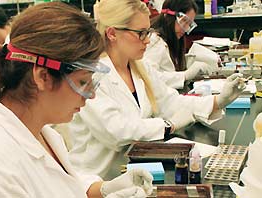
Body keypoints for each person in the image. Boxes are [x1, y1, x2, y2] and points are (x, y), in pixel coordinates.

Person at [0, 2, 153, 198]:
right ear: (43, 76)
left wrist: (102, 189)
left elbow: (58, 185)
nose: (92, 95)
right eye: (82, 82)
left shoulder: (41, 131)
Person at [68, 0, 245, 180]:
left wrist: (218, 101)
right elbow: (117, 131)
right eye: (141, 34)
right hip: (98, 178)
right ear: (112, 33)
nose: (147, 40)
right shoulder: (92, 75)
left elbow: (170, 102)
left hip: (134, 171)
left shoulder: (139, 66)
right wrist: (169, 125)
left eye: (148, 32)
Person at [143, 0, 218, 89]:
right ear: (167, 15)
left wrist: (189, 61)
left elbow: (166, 67)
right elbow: (149, 78)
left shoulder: (170, 39)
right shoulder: (154, 41)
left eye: (189, 24)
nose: (185, 29)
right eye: (183, 21)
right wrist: (185, 75)